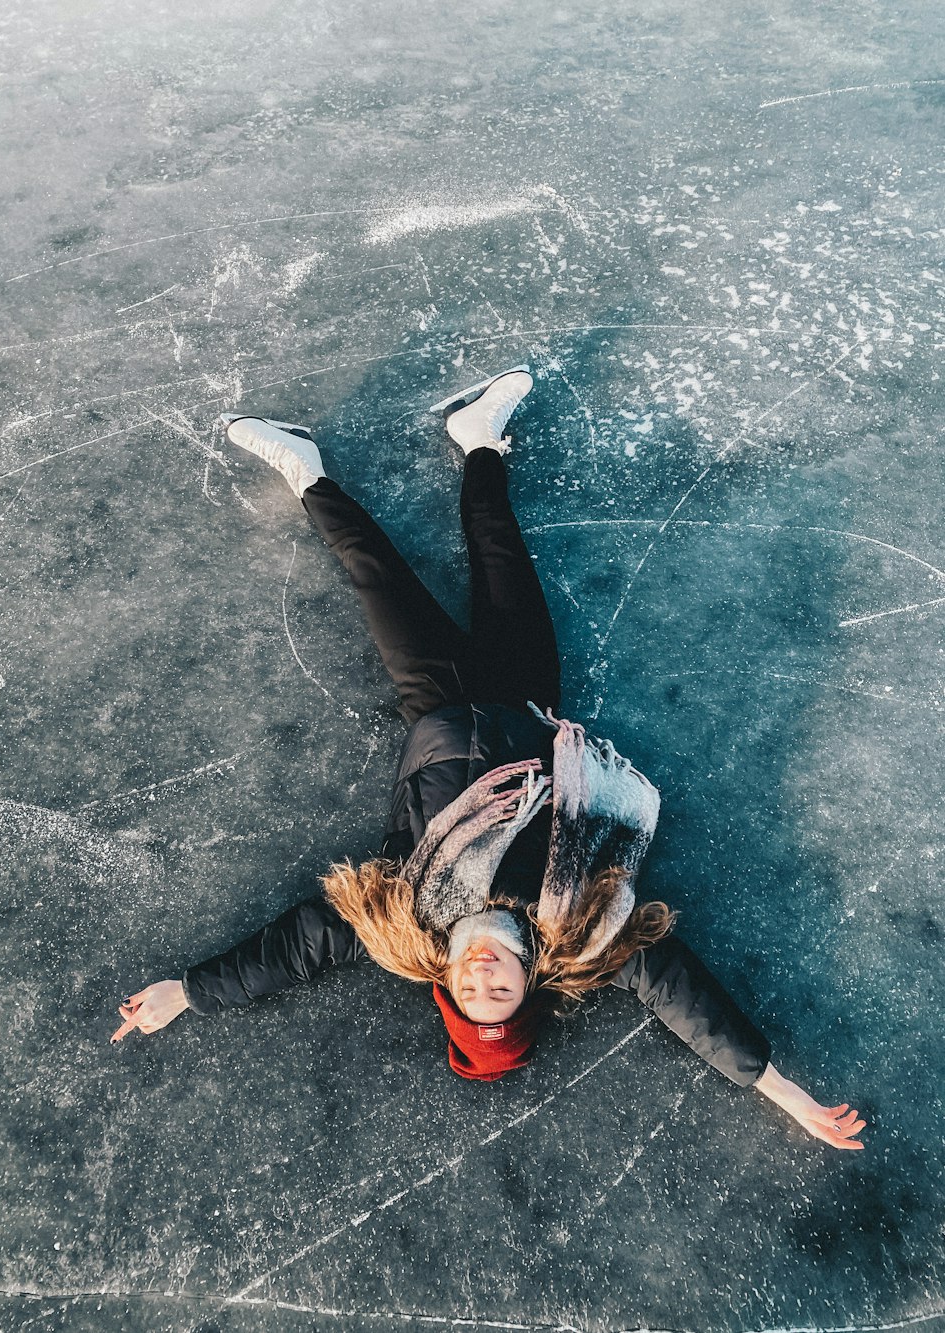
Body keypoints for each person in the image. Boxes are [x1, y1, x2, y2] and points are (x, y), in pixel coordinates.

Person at [112, 368, 865, 1150]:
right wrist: (774, 1084)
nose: (482, 977)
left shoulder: (407, 918)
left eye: (469, 992)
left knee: (376, 575)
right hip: (529, 705)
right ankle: (477, 440)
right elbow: (679, 992)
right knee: (499, 548)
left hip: (434, 707)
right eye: (500, 990)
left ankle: (307, 469)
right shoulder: (577, 923)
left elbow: (296, 948)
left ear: (448, 988)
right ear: (526, 985)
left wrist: (190, 991)